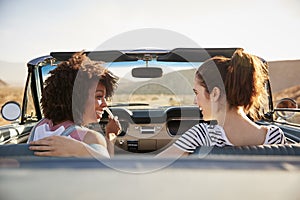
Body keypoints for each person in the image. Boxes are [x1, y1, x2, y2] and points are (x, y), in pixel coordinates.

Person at [159, 49, 286, 157]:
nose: (195, 101)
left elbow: (153, 167)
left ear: (215, 93)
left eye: (197, 93)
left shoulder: (201, 135)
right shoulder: (275, 136)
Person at [28, 51, 121, 158]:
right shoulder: (91, 138)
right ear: (77, 98)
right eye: (99, 97)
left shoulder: (38, 128)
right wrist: (110, 136)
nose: (105, 105)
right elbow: (108, 172)